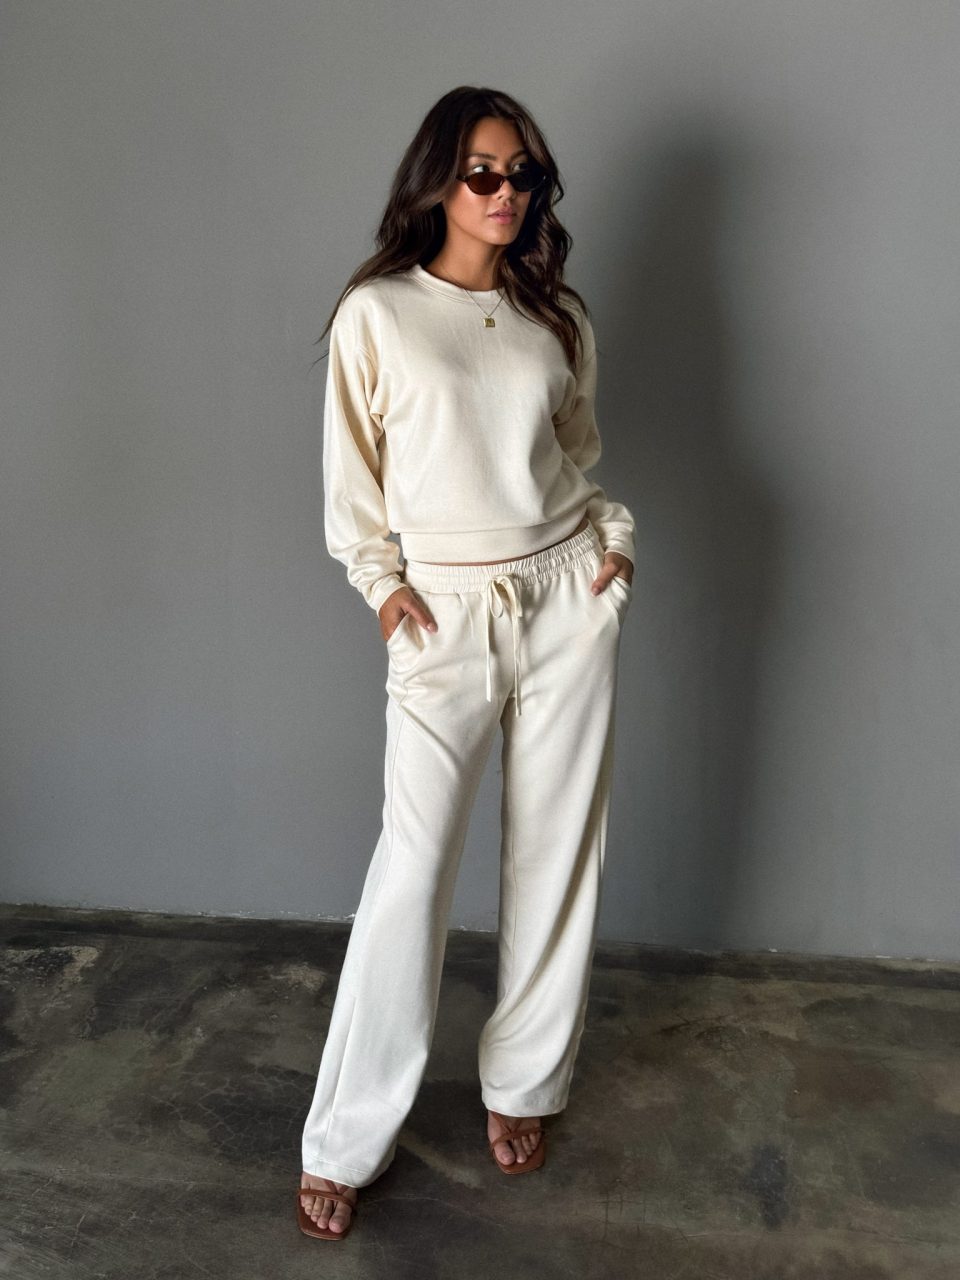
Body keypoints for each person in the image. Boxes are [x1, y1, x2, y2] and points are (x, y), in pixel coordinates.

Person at [297, 85, 636, 1241]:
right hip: (443, 614)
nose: (505, 192)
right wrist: (383, 588)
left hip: (566, 595)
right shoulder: (379, 313)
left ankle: (525, 1081)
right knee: (413, 868)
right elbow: (353, 480)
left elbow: (577, 458)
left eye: (523, 173)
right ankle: (345, 1136)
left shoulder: (557, 315)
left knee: (558, 850)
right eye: (483, 171)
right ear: (438, 179)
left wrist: (614, 547)